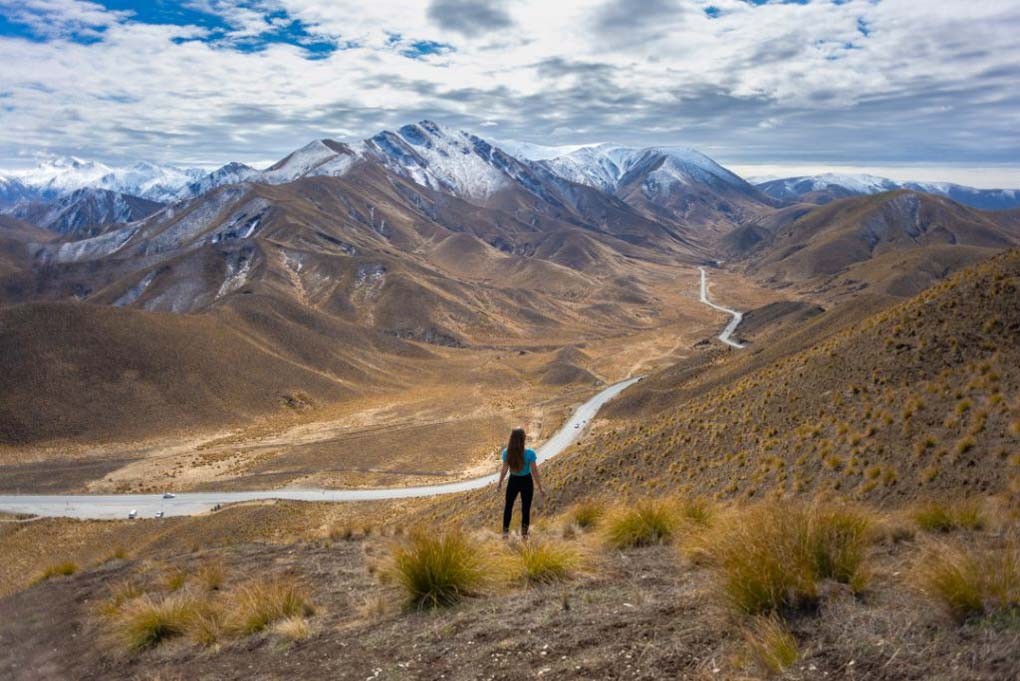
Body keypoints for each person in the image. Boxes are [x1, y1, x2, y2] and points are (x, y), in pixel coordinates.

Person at [496, 427, 545, 537]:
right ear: (523, 438)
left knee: (508, 507)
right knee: (525, 508)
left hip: (513, 481)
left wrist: (499, 483)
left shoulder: (507, 453)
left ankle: (505, 534)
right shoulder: (530, 453)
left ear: (511, 439)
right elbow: (534, 472)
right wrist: (540, 487)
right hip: (526, 482)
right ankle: (524, 535)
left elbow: (504, 470)